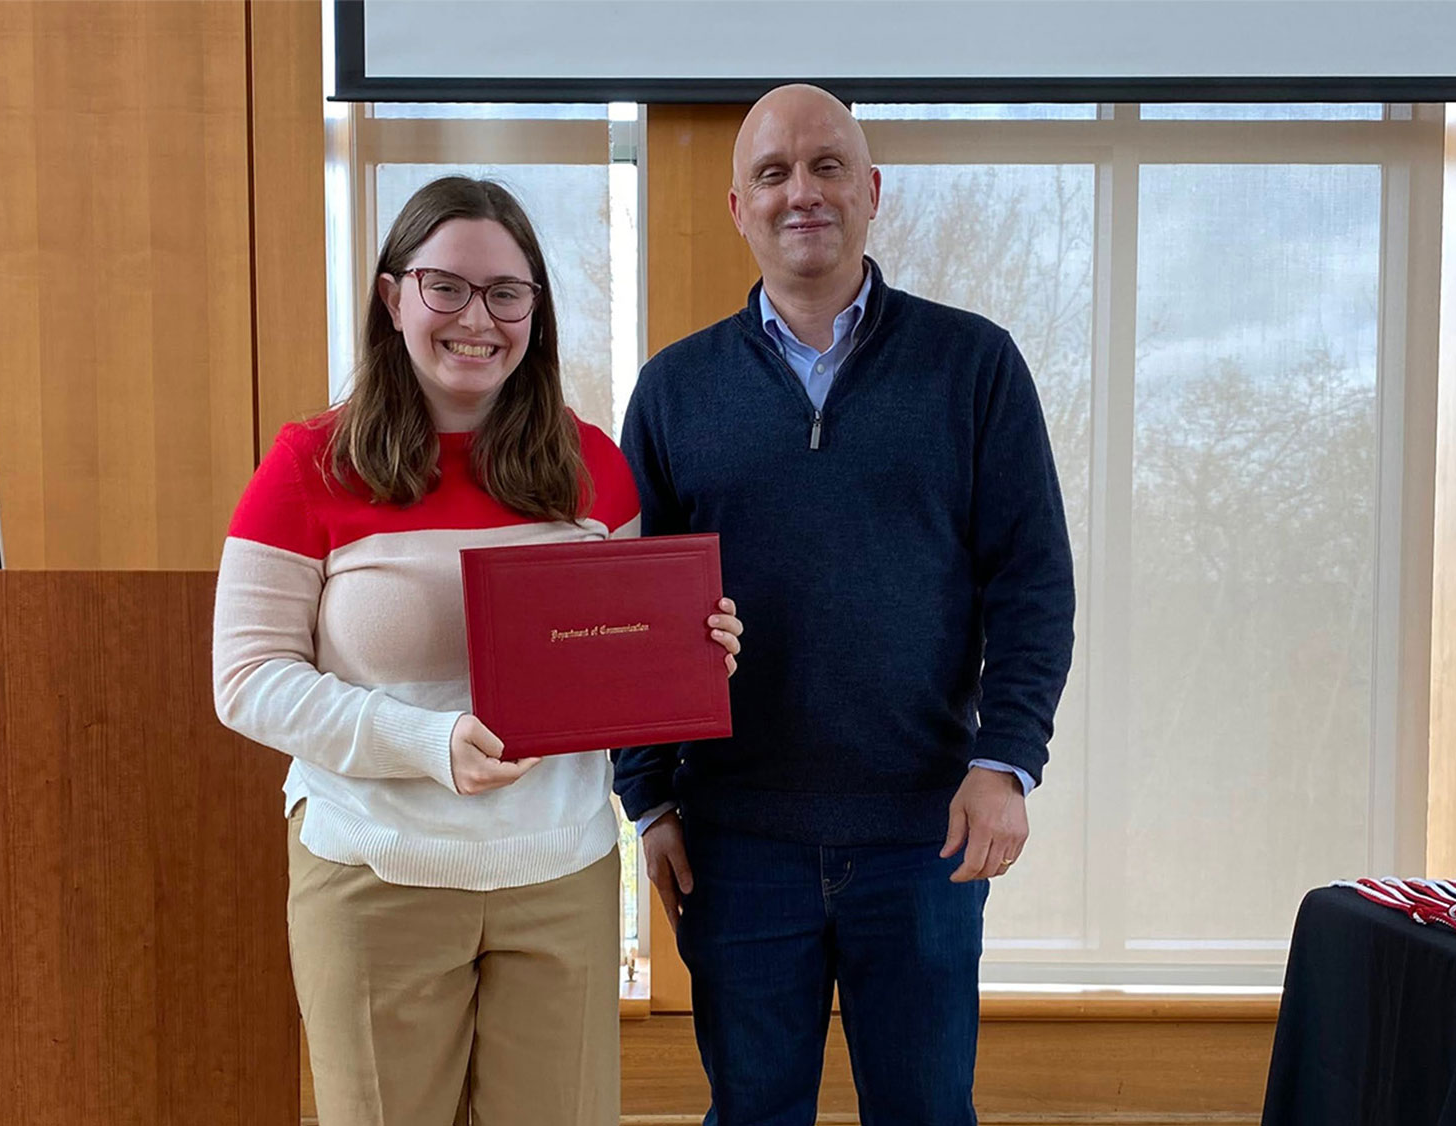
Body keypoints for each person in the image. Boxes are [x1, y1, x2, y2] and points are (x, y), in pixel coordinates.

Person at [213, 176, 742, 1126]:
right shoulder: (308, 465)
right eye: (445, 286)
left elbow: (620, 662)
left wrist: (692, 652)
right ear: (392, 298)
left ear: (534, 312)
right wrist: (425, 741)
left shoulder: (594, 468)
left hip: (560, 873)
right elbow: (247, 681)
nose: (478, 318)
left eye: (507, 292)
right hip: (375, 879)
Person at [615, 86, 1075, 1126]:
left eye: (826, 166)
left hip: (922, 836)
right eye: (772, 173)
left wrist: (1004, 762)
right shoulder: (673, 391)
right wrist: (646, 799)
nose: (801, 192)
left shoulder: (974, 366)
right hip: (734, 841)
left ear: (871, 192)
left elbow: (1032, 580)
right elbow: (633, 609)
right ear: (739, 207)